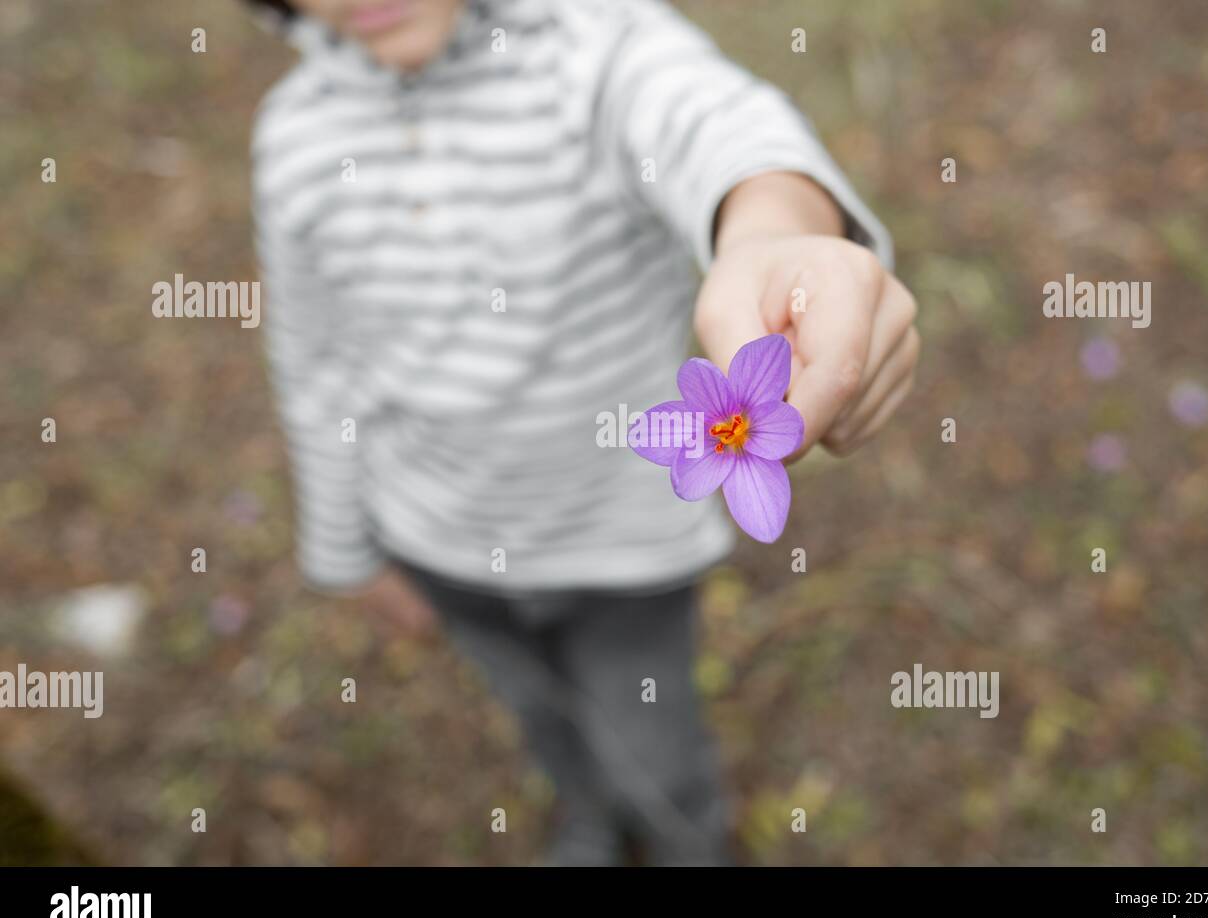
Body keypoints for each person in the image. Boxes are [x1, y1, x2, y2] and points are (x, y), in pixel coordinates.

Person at [245, 0, 919, 864]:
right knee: (539, 713)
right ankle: (589, 823)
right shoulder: (294, 140)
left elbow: (714, 126)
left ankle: (684, 839)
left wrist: (774, 235)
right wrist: (344, 548)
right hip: (441, 544)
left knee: (652, 744)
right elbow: (314, 363)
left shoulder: (596, 55)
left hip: (621, 561)